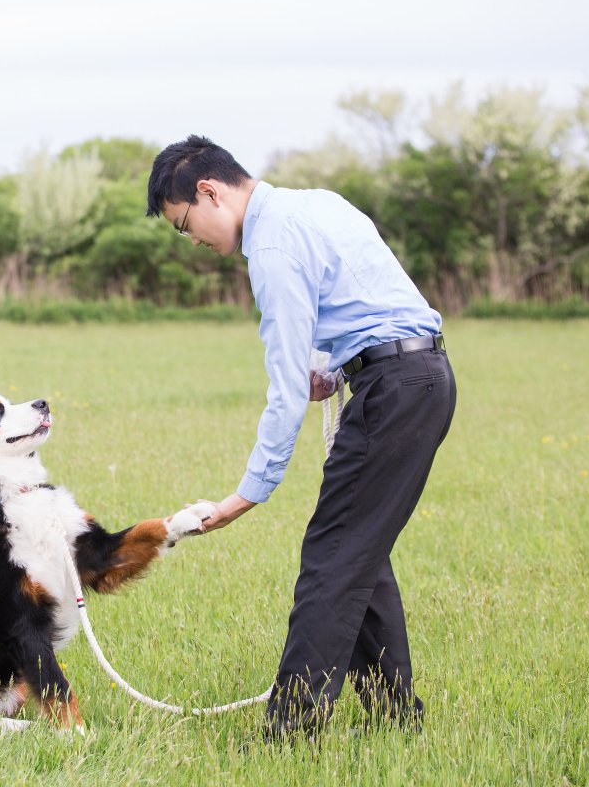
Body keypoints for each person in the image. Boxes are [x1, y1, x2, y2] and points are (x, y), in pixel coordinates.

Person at [147, 135, 456, 739]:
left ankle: (289, 732)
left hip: (394, 390)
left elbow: (285, 387)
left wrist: (246, 495)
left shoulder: (272, 245)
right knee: (359, 553)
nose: (195, 243)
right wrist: (337, 369)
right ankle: (396, 717)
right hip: (420, 378)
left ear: (208, 192)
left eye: (185, 226)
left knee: (331, 557)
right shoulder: (318, 204)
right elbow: (373, 305)